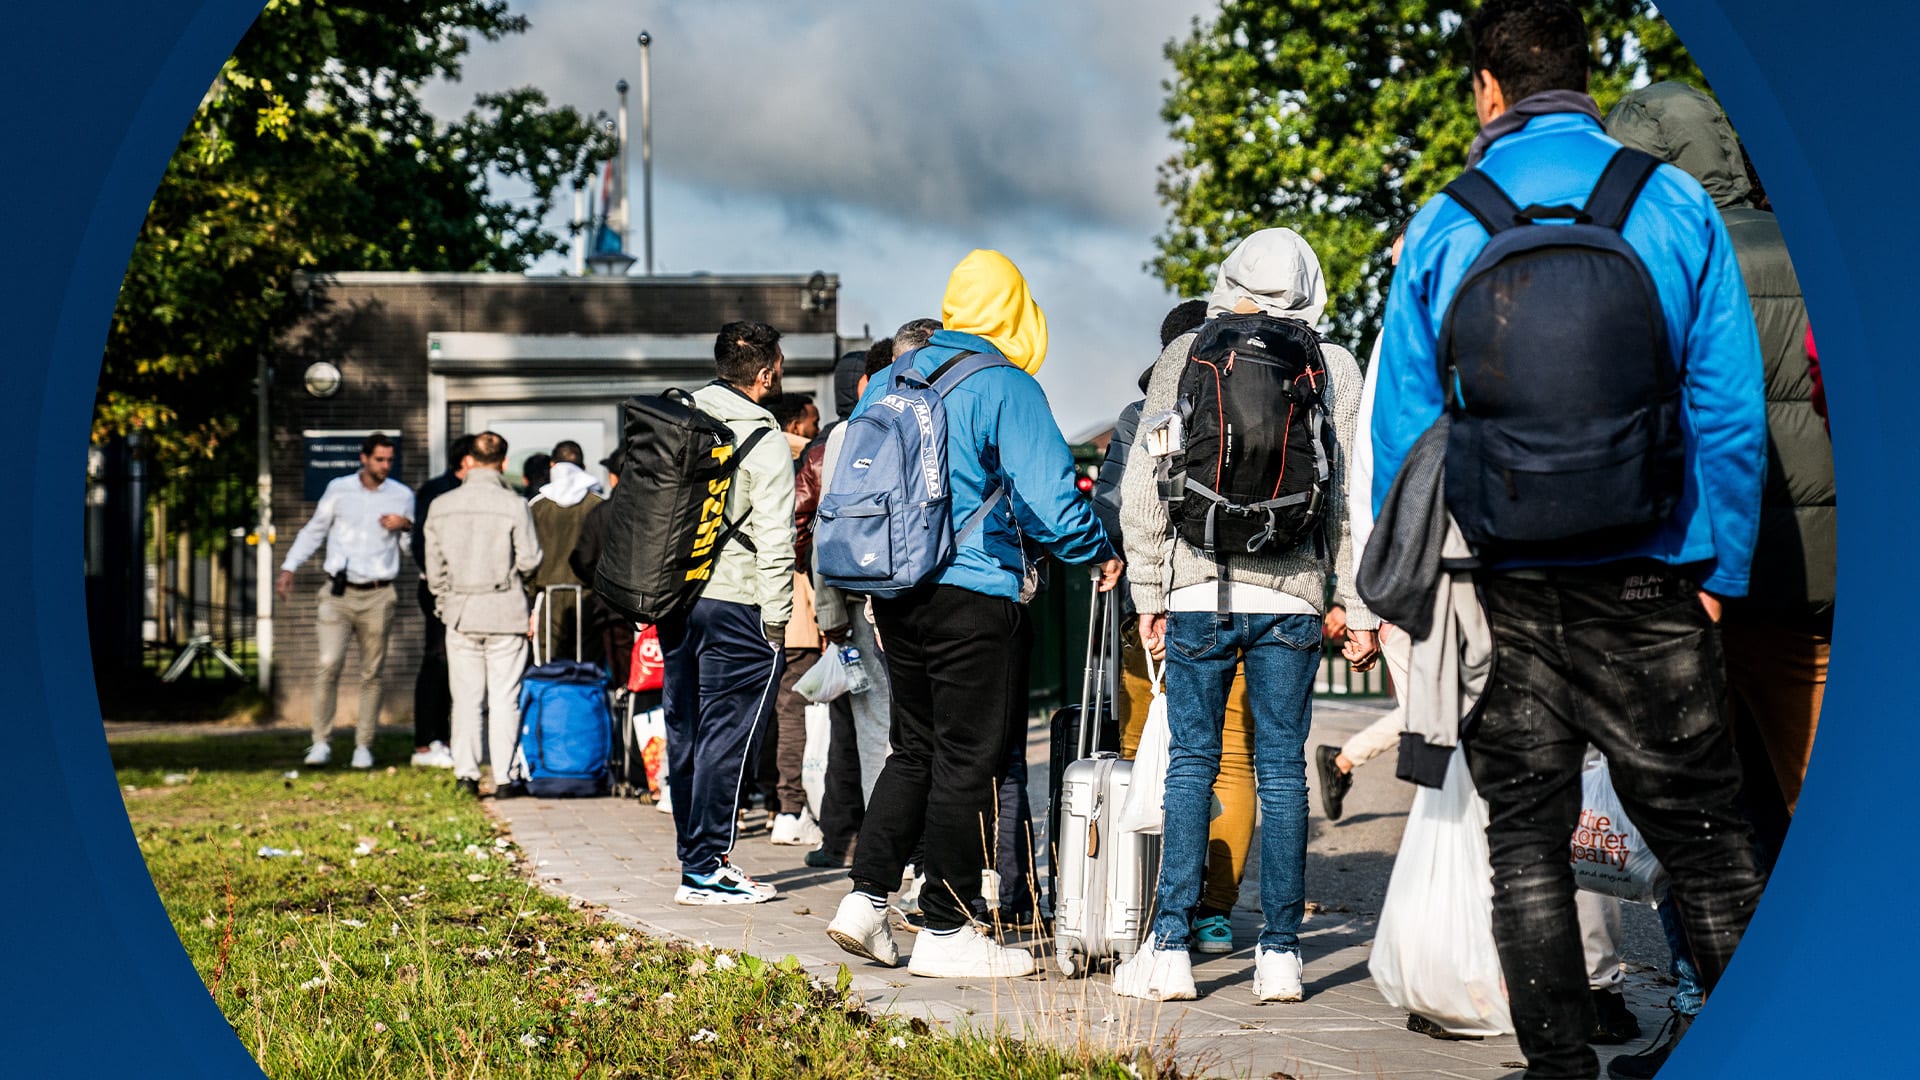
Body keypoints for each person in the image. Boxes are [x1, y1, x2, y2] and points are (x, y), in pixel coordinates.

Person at [1370, 4, 1768, 1075]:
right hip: (1653, 572)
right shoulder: (1673, 202)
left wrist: (1421, 594)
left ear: (1487, 90)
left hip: (1502, 583)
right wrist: (1720, 570)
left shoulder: (1444, 222)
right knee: (1705, 839)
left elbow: (1406, 437)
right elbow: (1729, 411)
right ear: (1587, 76)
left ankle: (1558, 1069)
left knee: (1525, 844)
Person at [1604, 80, 1831, 1077]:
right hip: (1817, 583)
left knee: (1703, 821)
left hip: (1696, 584)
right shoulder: (1814, 247)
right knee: (1821, 809)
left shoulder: (1665, 260)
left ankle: (1713, 1019)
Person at [826, 252, 1121, 980]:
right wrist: (1097, 551)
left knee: (914, 748)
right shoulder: (1004, 384)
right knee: (967, 757)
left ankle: (865, 900)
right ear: (1016, 309)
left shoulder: (894, 378)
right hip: (973, 590)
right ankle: (947, 926)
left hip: (896, 587)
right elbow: (1052, 501)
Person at [1113, 228, 1377, 1004]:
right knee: (1281, 769)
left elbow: (1146, 484)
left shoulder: (1187, 352)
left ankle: (1169, 948)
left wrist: (1150, 594)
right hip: (1291, 597)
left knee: (1192, 762)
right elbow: (1349, 498)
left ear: (1230, 277)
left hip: (1200, 591)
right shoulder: (1334, 365)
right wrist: (1356, 605)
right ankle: (1281, 955)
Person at [1099, 297, 1260, 956]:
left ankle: (1147, 898)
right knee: (1232, 758)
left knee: (1148, 749)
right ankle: (1215, 914)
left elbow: (1116, 508)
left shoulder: (1142, 414)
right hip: (1250, 598)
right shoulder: (1266, 398)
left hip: (1160, 607)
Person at [659, 320, 796, 905]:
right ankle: (706, 868)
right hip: (737, 602)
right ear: (764, 375)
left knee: (686, 730)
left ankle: (693, 859)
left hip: (675, 598)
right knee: (727, 736)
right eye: (779, 367)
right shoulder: (765, 439)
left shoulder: (680, 417)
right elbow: (776, 540)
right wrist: (777, 620)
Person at [807, 337, 909, 870]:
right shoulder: (934, 416)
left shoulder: (847, 435)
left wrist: (830, 615)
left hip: (860, 601)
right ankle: (909, 852)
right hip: (920, 594)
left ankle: (882, 853)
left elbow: (827, 530)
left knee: (875, 732)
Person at [277, 433, 415, 769]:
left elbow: (410, 549)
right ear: (363, 458)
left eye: (390, 460)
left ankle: (363, 746)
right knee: (328, 664)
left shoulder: (401, 495)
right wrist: (289, 566)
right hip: (338, 592)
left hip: (379, 592)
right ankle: (320, 742)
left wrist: (406, 526)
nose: (385, 465)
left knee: (372, 672)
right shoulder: (339, 489)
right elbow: (315, 529)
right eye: (379, 459)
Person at [422, 432, 543, 798]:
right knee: (504, 697)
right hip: (505, 609)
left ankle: (467, 774)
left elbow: (434, 568)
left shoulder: (441, 505)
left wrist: (445, 602)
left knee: (465, 699)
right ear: (503, 463)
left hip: (461, 611)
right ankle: (505, 777)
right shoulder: (514, 505)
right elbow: (530, 560)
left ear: (470, 461)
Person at [767, 391, 828, 848]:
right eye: (812, 421)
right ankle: (791, 809)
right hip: (798, 613)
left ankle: (763, 804)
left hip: (748, 608)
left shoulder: (743, 456)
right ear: (794, 425)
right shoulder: (811, 461)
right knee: (795, 714)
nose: (817, 428)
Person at [406, 434, 475, 769]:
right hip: (440, 589)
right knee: (437, 659)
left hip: (469, 589)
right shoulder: (435, 491)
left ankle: (449, 738)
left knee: (456, 662)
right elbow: (421, 542)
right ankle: (427, 740)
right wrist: (441, 584)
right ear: (467, 461)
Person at [526, 440, 606, 664]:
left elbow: (528, 558)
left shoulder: (537, 506)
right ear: (584, 467)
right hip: (589, 598)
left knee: (548, 666)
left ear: (552, 465)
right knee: (588, 666)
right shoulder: (598, 505)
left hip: (547, 598)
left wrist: (529, 600)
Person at [568, 448, 636, 688]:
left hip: (611, 608)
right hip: (656, 610)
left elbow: (581, 560)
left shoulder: (599, 513)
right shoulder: (658, 510)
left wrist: (601, 584)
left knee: (621, 674)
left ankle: (624, 705)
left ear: (614, 477)